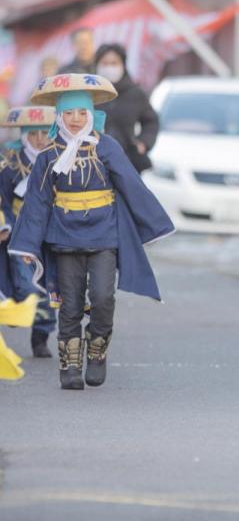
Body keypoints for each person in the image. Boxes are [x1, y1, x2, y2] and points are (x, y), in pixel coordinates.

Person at [8, 73, 175, 391]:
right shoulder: (49, 156)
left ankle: (97, 350)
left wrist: (151, 223)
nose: (74, 119)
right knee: (69, 303)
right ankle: (70, 365)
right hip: (64, 237)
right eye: (68, 113)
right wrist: (28, 244)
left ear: (91, 115)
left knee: (102, 297)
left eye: (81, 113)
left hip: (104, 236)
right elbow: (38, 202)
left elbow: (130, 184)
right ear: (59, 115)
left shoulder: (106, 147)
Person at [0, 105, 57, 356]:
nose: (40, 139)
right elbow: (2, 199)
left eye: (46, 134)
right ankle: (19, 310)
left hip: (51, 234)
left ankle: (41, 335)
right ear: (25, 136)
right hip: (20, 235)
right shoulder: (10, 165)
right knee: (25, 282)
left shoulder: (59, 161)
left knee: (52, 285)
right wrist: (7, 223)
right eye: (34, 134)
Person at [94, 43, 159, 172]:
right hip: (94, 160)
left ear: (123, 65)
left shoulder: (135, 93)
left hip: (127, 161)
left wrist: (143, 142)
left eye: (114, 63)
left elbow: (151, 121)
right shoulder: (89, 92)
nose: (109, 68)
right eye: (105, 63)